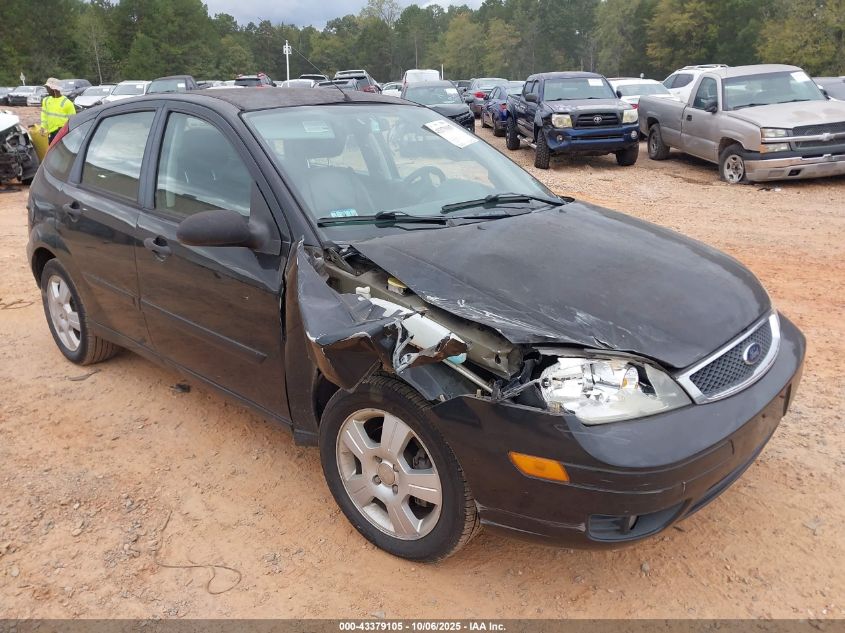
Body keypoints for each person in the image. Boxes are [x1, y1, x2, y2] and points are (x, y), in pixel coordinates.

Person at [41, 78, 76, 142]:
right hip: (51, 134)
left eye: (48, 88)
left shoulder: (67, 103)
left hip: (63, 134)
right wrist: (43, 127)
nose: (47, 90)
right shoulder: (46, 100)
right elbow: (44, 116)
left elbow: (72, 121)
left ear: (54, 88)